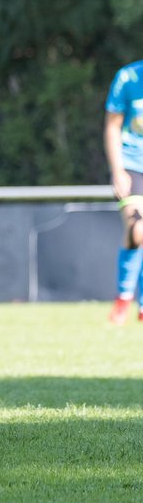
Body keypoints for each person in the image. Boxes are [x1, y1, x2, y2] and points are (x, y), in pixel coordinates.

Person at [105, 60, 143, 324]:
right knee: (138, 229)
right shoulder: (128, 77)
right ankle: (124, 297)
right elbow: (112, 125)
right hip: (132, 165)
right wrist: (118, 170)